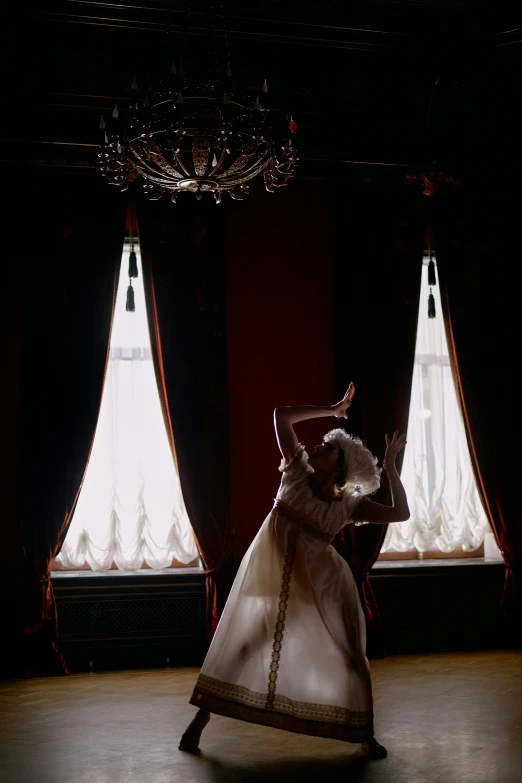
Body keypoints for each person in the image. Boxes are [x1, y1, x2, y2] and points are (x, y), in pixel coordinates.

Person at [179, 382, 409, 759]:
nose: (319, 446)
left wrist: (392, 466)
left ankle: (365, 733)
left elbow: (400, 513)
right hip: (275, 575)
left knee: (352, 654)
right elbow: (281, 416)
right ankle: (200, 719)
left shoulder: (348, 506)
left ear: (341, 466)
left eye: (329, 447)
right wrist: (334, 410)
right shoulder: (296, 473)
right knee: (245, 643)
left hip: (322, 584)